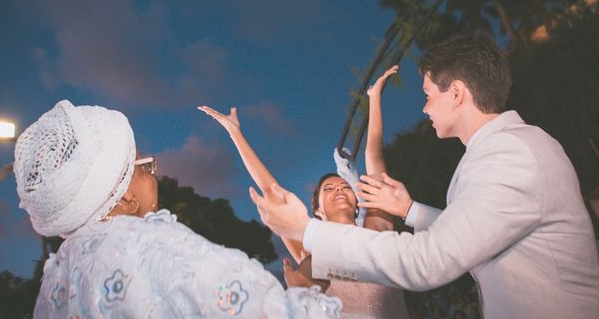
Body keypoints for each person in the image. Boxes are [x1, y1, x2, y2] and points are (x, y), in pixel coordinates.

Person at [249, 30, 599, 319]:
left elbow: (428, 261)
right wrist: (410, 210)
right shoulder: (496, 153)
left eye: (429, 95)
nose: (424, 107)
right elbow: (475, 232)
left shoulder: (510, 154)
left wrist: (307, 229)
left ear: (457, 93)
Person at [13, 100, 342, 318]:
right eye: (143, 167)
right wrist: (304, 293)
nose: (154, 176)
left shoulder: (57, 276)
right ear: (125, 198)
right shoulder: (147, 245)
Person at [198, 65, 409, 319]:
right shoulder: (311, 252)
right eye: (329, 189)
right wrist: (235, 132)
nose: (339, 189)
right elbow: (272, 191)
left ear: (356, 202)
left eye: (344, 187)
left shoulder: (377, 231)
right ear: (318, 209)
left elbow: (374, 157)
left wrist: (374, 98)